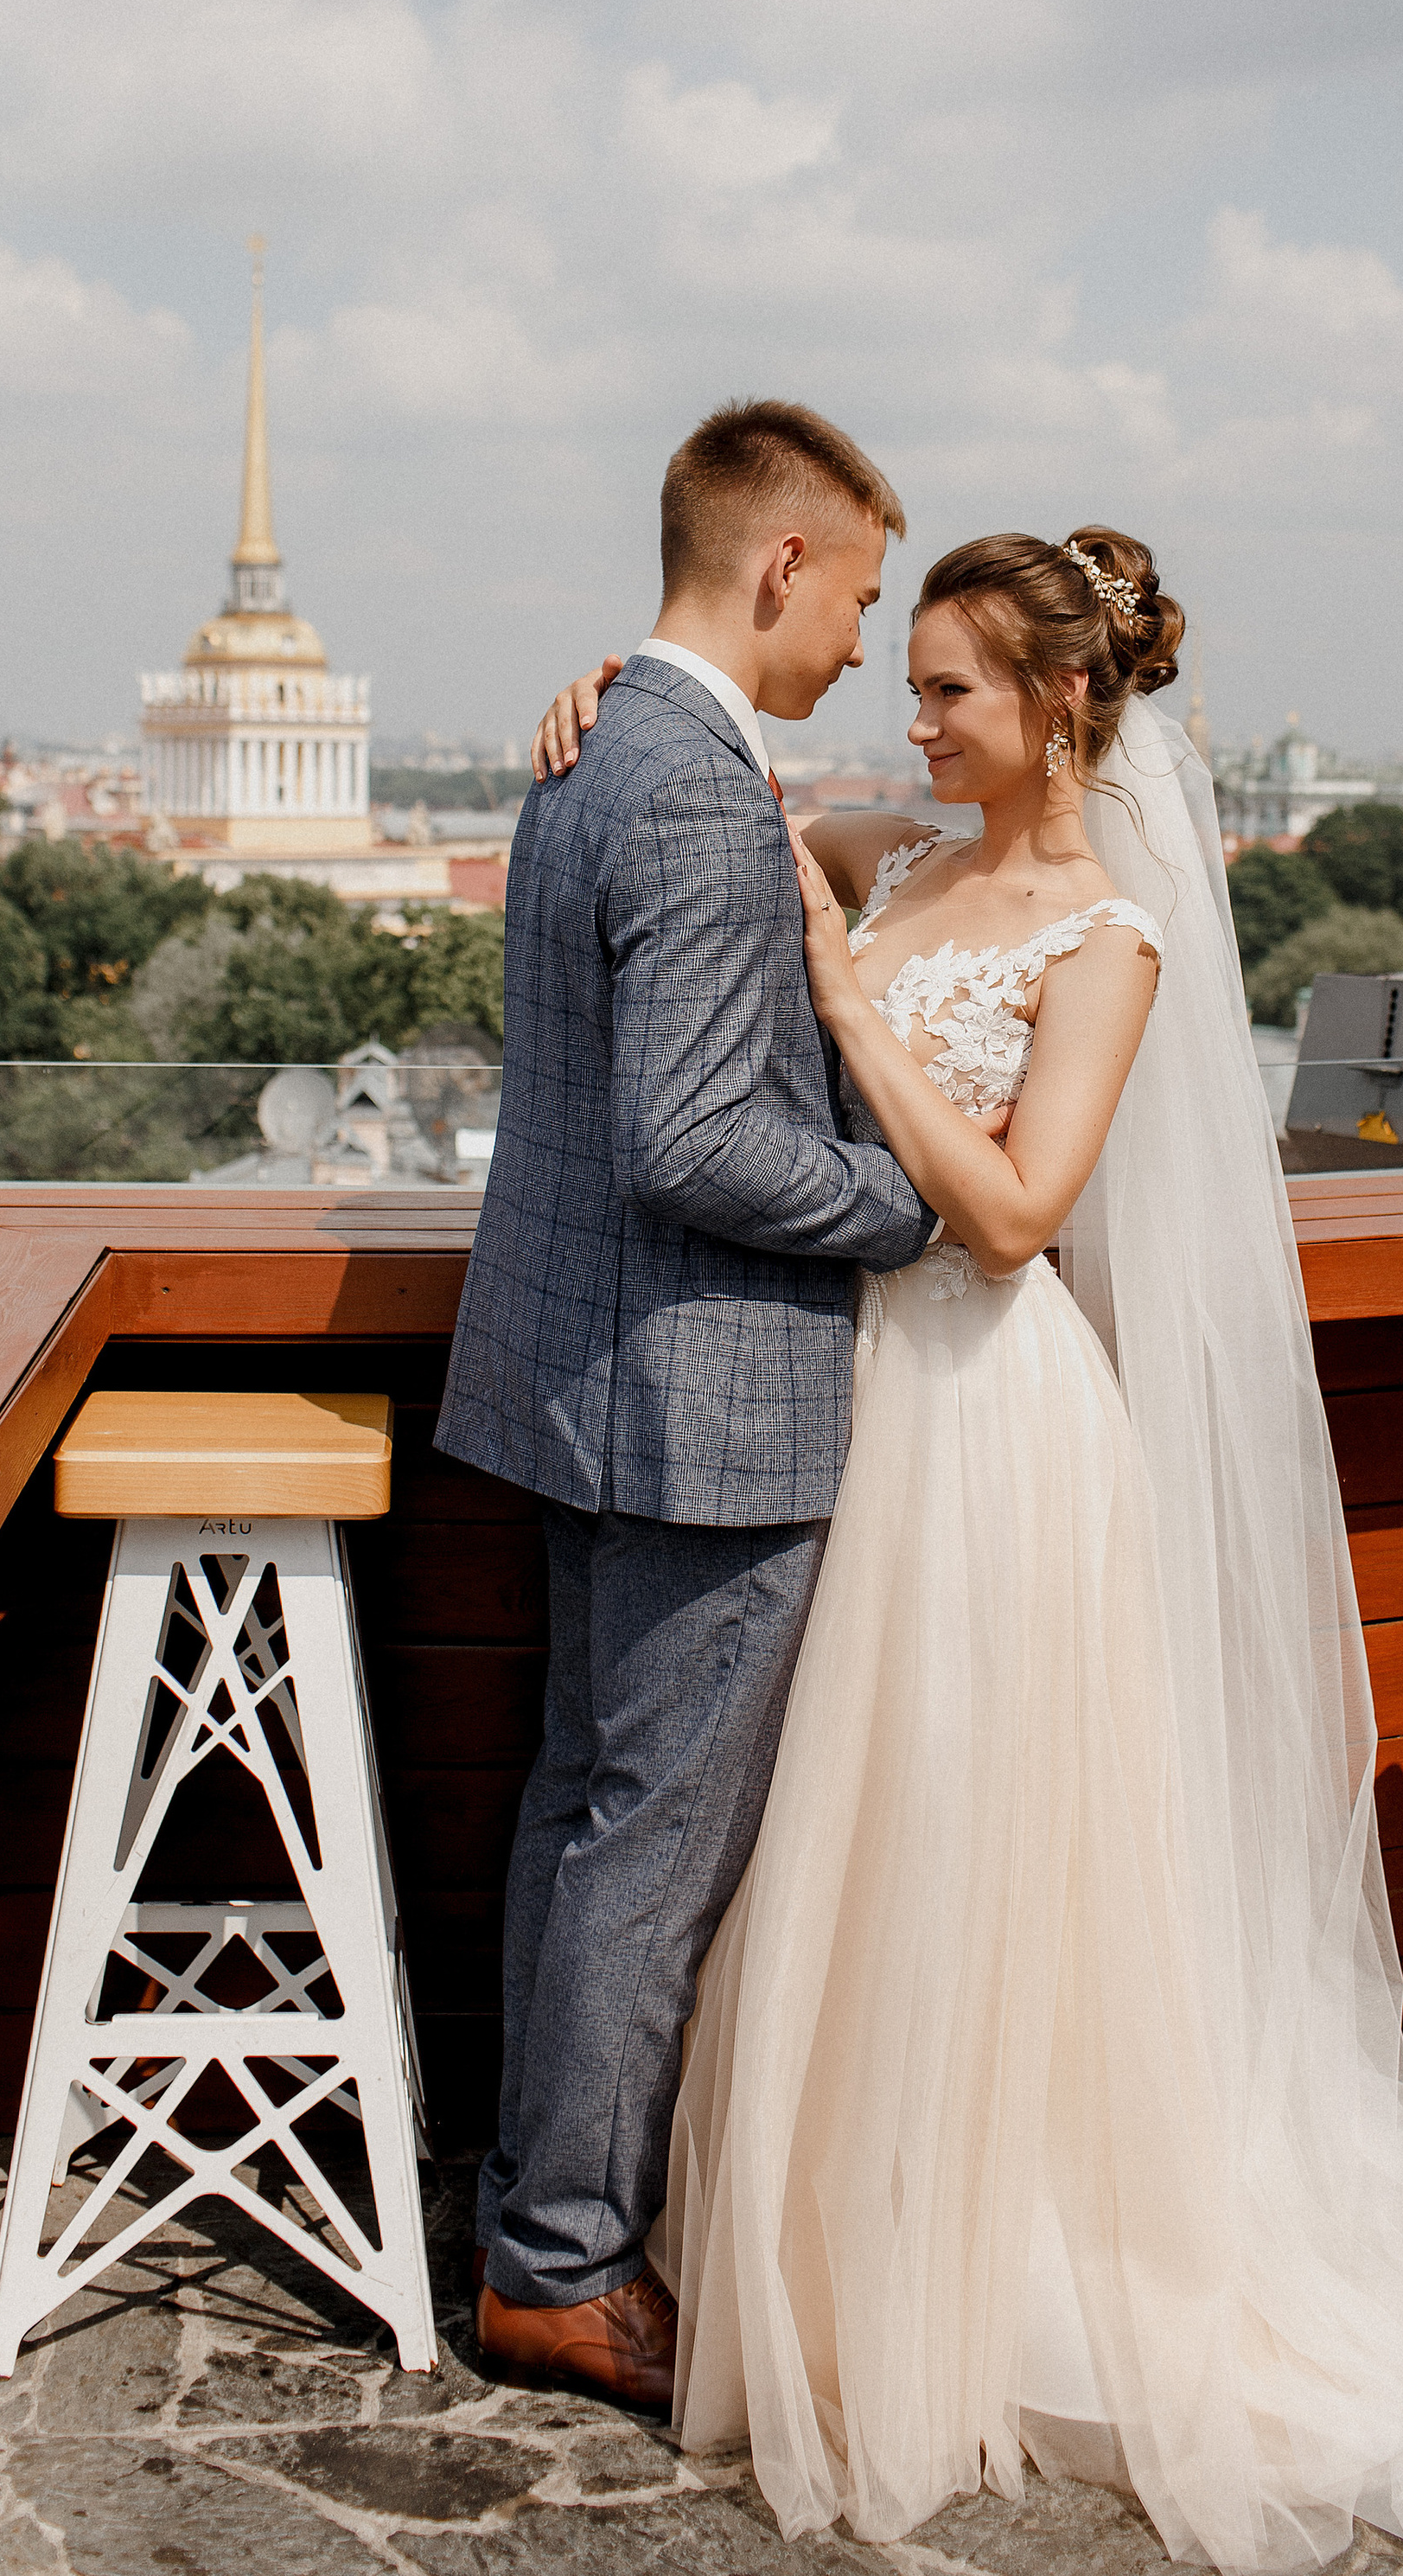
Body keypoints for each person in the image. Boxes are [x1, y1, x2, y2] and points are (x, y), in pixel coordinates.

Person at [535, 526, 1403, 2576]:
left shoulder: (1107, 939)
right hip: (842, 1414)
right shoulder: (898, 852)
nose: (913, 720)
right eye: (908, 681)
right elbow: (724, 790)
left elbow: (1015, 1215)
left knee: (972, 1831)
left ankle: (994, 2265)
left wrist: (852, 1012)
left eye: (949, 690)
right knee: (843, 1834)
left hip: (988, 1425)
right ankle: (846, 2242)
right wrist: (606, 699)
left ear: (1056, 704)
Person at [436, 400, 942, 2412]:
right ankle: (561, 2267)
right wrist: (910, 1211)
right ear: (778, 565)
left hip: (585, 1382)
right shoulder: (688, 792)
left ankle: (531, 2219)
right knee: (644, 1850)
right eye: (858, 601)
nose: (861, 649)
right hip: (700, 1407)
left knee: (583, 1816)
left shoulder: (593, 754)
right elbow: (695, 1138)